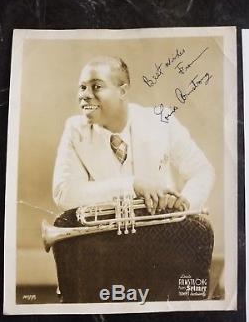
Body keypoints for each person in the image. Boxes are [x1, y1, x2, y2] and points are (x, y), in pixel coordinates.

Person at [53, 56, 215, 214]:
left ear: (122, 91)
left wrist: (184, 203)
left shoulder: (161, 120)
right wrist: (131, 185)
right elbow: (64, 193)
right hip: (104, 240)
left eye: (96, 87)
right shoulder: (75, 129)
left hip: (163, 235)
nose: (84, 95)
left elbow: (202, 170)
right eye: (82, 87)